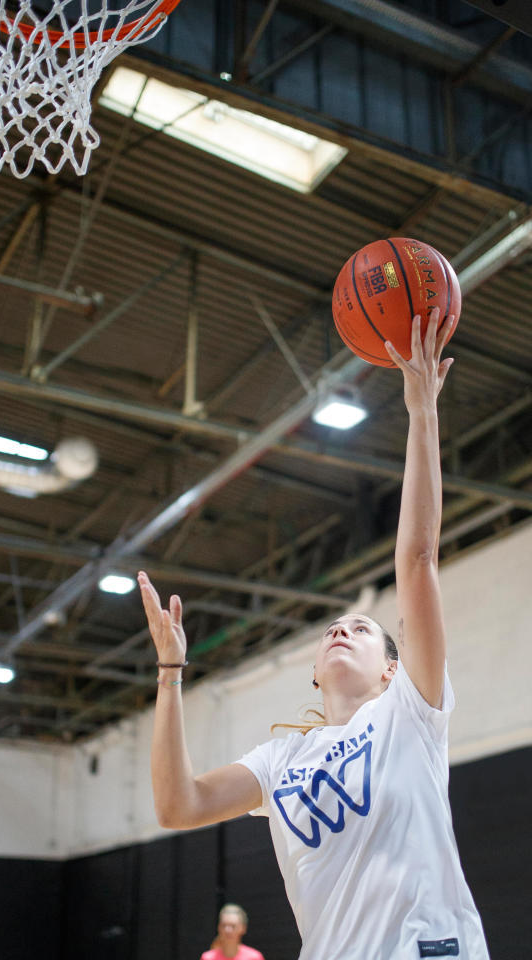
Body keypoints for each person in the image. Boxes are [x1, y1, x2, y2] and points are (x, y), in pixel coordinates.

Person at [138, 308, 491, 960]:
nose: (342, 631)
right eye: (334, 627)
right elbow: (176, 806)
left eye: (360, 628)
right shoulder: (280, 761)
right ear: (312, 671)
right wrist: (169, 674)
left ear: (393, 668)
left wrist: (421, 415)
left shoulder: (410, 712)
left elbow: (417, 557)